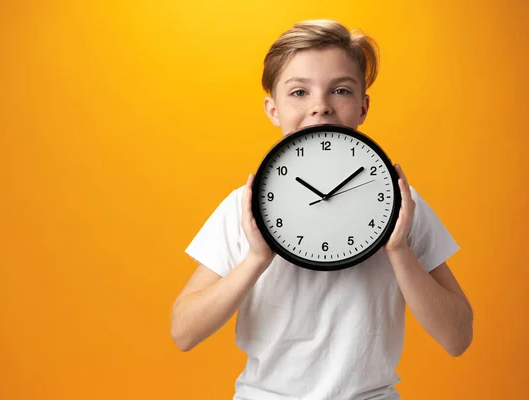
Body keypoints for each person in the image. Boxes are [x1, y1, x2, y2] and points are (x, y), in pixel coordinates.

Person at [171, 19, 474, 400]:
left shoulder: (401, 204)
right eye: (299, 92)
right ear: (273, 109)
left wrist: (398, 250)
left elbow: (458, 337)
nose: (320, 107)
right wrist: (255, 258)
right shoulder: (243, 208)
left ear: (362, 107)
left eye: (341, 90)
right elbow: (183, 331)